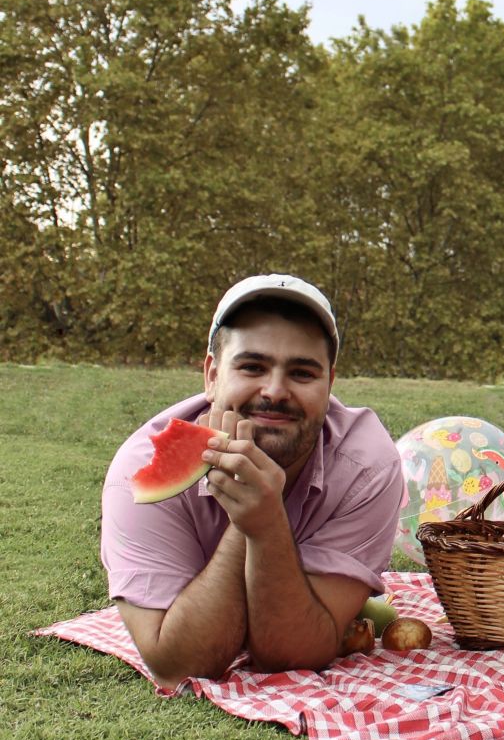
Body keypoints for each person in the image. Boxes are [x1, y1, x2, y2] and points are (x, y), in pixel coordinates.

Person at [101, 275, 404, 685]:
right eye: (252, 367)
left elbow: (293, 654)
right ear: (212, 376)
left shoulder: (366, 468)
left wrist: (266, 524)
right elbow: (176, 667)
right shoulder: (137, 473)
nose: (275, 391)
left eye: (302, 373)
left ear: (330, 384)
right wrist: (247, 526)